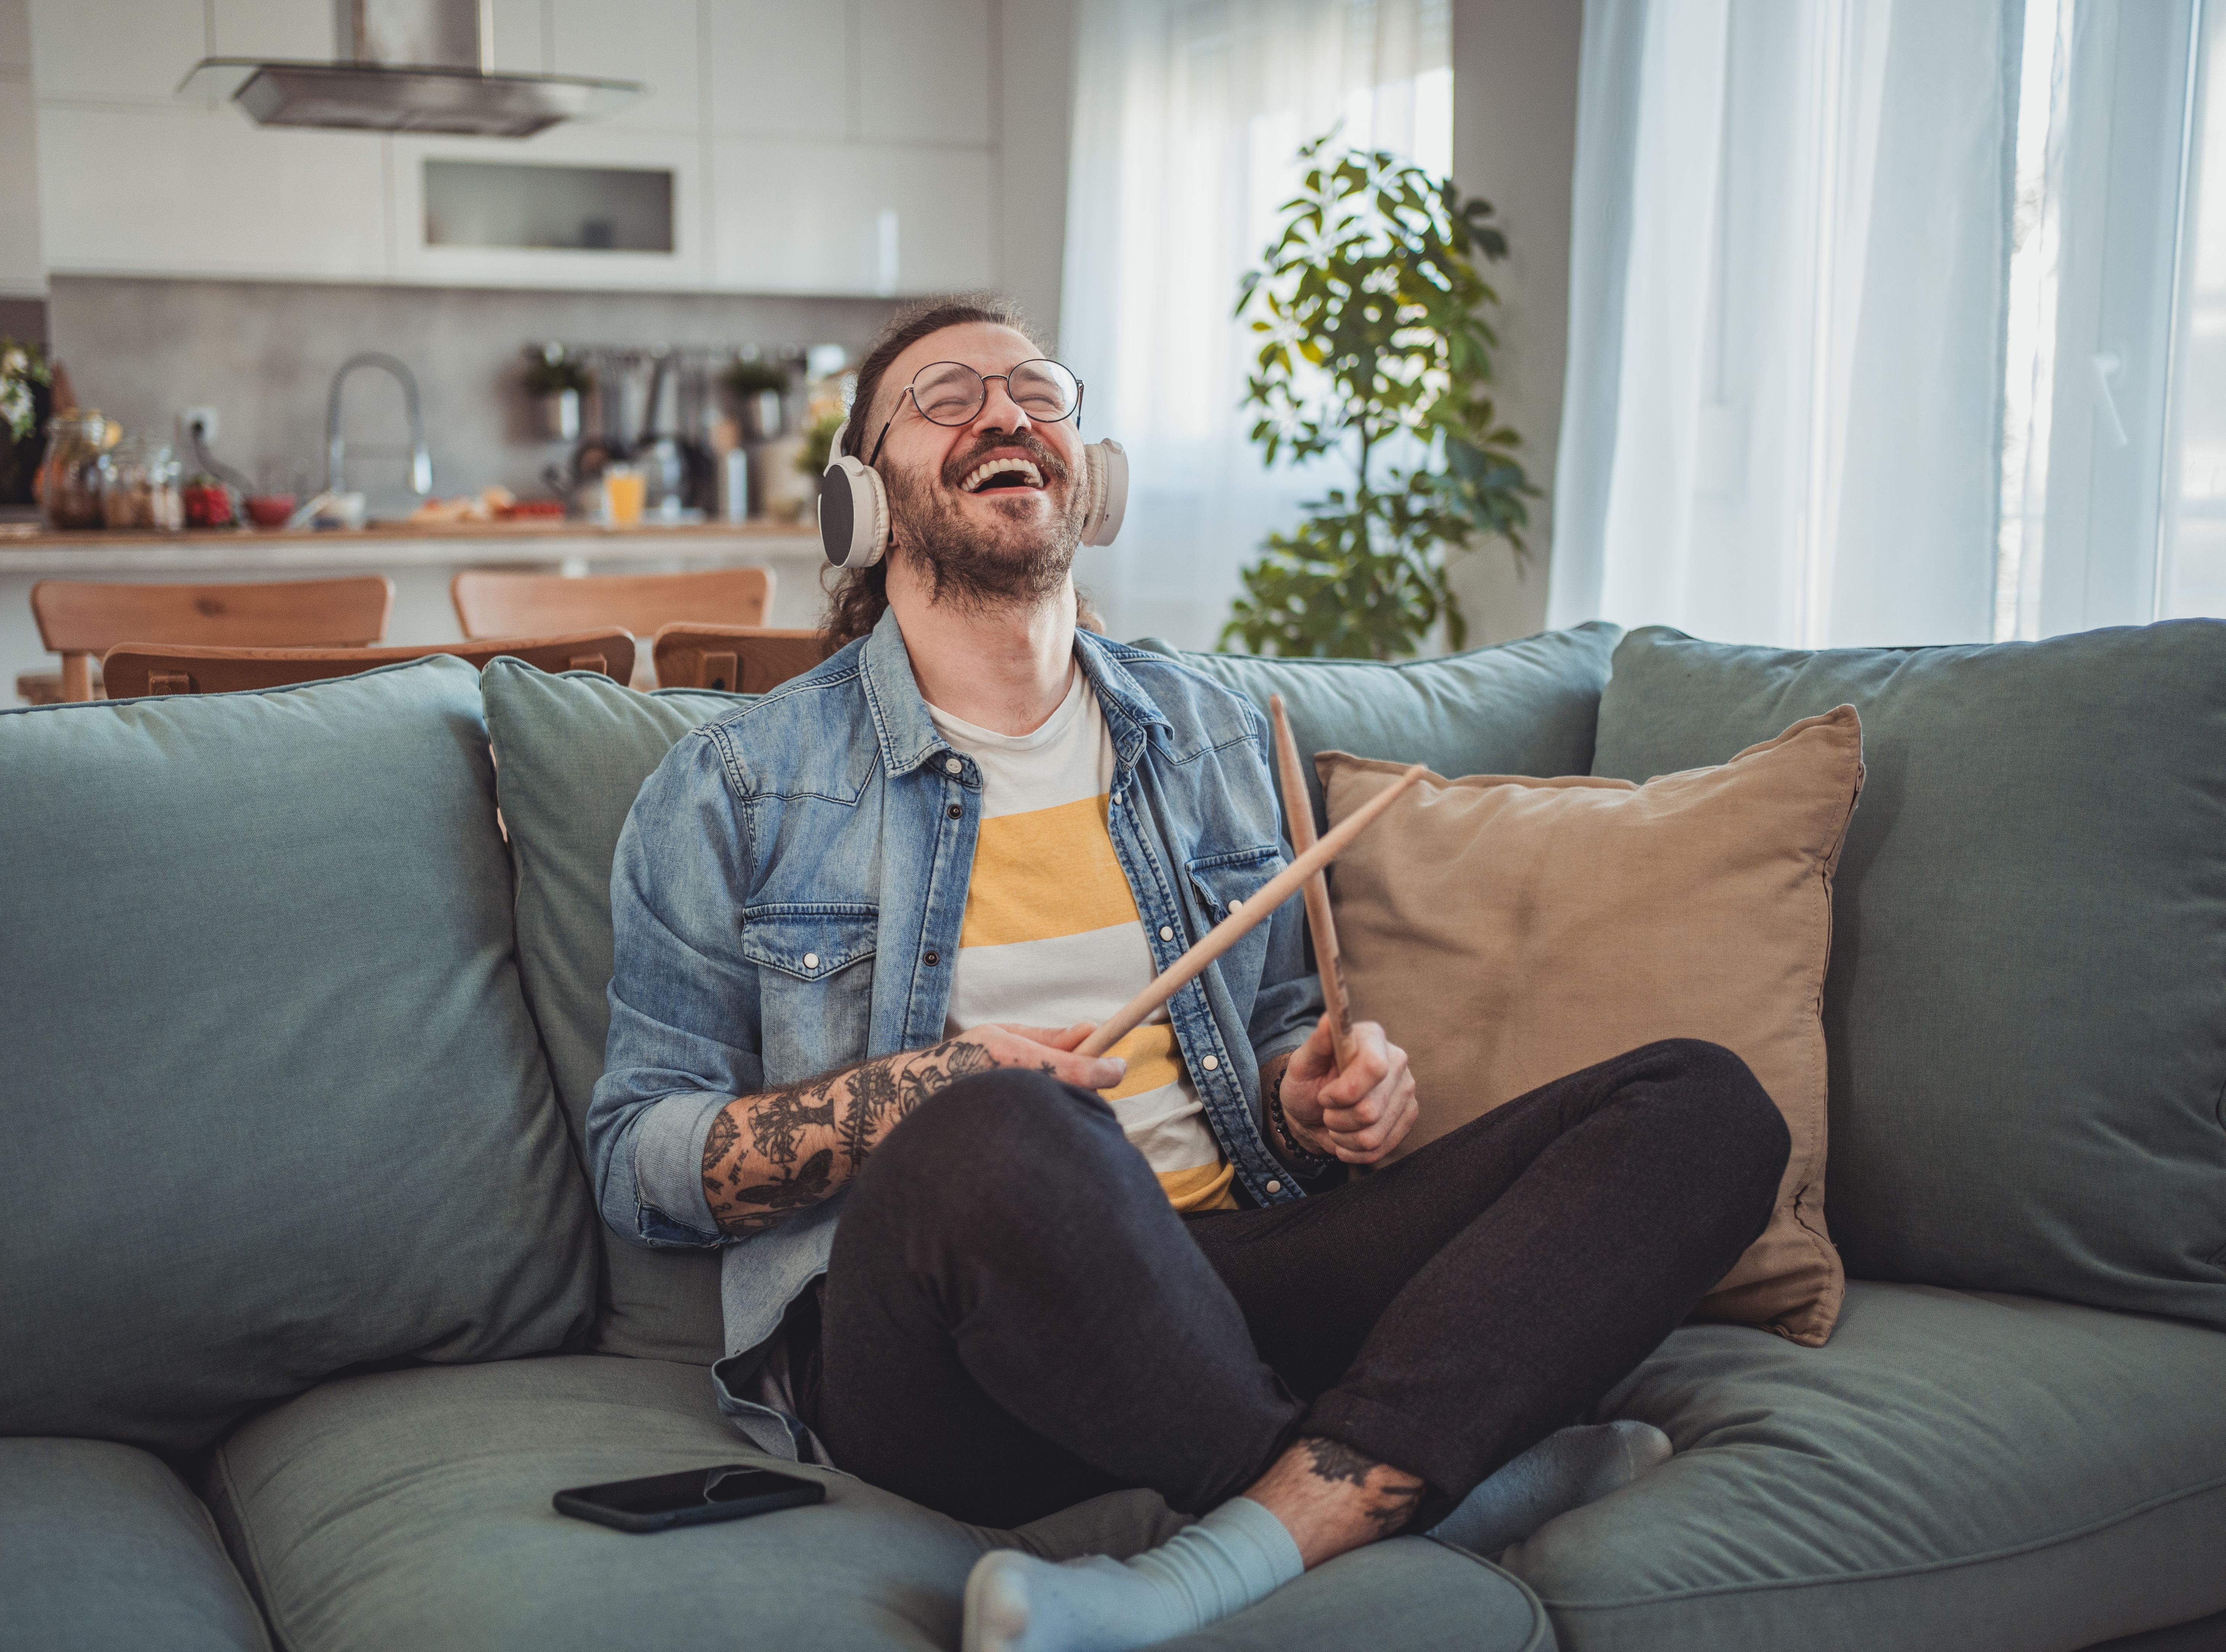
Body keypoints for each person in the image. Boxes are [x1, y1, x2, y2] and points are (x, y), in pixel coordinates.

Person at [592, 296, 1790, 1652]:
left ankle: (1237, 1543)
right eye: (945, 397)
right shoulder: (738, 787)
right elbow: (642, 1158)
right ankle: (1448, 1480)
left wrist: (1310, 1098)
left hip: (1227, 1279)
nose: (1005, 414)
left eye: (1038, 392)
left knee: (1704, 1104)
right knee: (999, 1127)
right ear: (861, 501)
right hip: (938, 1356)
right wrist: (918, 1094)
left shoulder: (1213, 734)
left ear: (1085, 473)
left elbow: (1272, 1034)